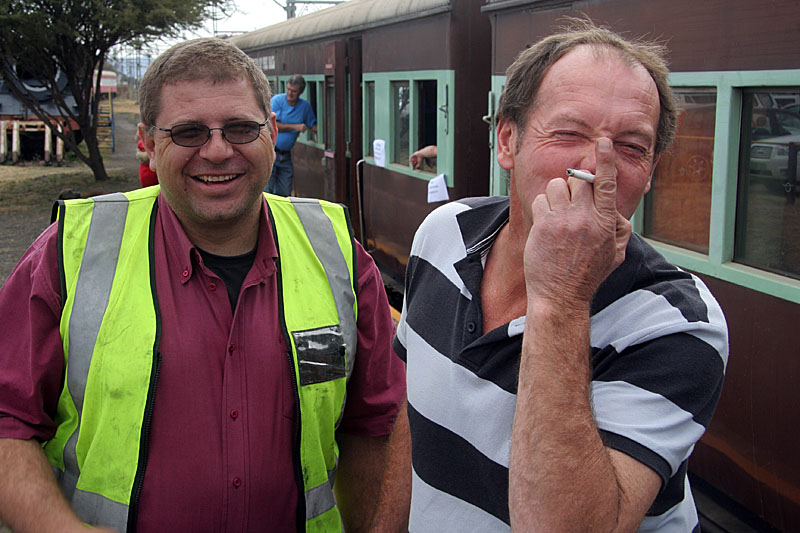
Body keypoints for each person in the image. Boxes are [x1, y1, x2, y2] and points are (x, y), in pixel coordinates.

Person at [0, 38, 407, 532]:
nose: (218, 151)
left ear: (271, 131)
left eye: (240, 128)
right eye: (189, 133)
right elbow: (7, 421)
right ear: (146, 142)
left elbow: (377, 423)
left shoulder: (337, 254)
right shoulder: (71, 251)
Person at [393, 20, 728, 532]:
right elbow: (414, 417)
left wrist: (561, 297)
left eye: (632, 147)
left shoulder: (676, 322)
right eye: (569, 133)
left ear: (651, 170)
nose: (597, 166)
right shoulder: (444, 233)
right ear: (508, 141)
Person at [266, 74, 317, 196]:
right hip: (271, 152)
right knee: (267, 192)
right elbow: (272, 125)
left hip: (286, 156)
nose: (290, 93)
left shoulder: (305, 107)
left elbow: (313, 126)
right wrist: (296, 126)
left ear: (301, 92)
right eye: (288, 89)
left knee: (284, 193)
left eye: (294, 91)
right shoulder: (277, 101)